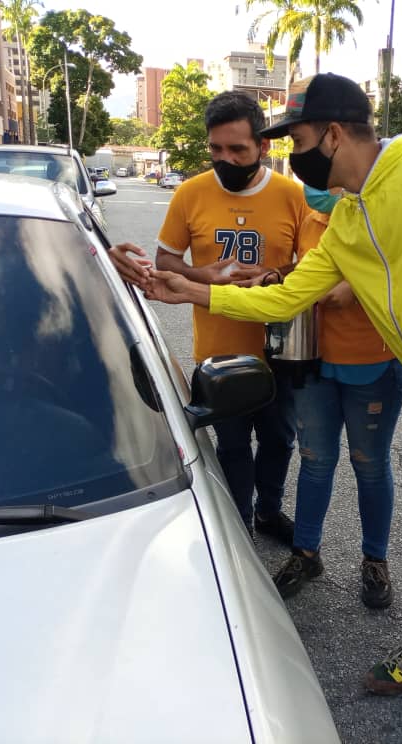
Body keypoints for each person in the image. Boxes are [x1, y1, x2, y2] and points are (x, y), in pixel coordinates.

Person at [140, 73, 402, 743]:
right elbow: (285, 299)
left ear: (334, 135)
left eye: (301, 141)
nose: (293, 156)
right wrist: (189, 294)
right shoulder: (346, 218)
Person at [109, 91, 307, 543]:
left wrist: (277, 273)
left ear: (264, 146)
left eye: (237, 149)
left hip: (279, 350)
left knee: (279, 441)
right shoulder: (191, 193)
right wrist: (204, 275)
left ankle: (269, 512)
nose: (225, 159)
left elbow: (315, 266)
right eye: (216, 149)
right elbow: (166, 260)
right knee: (233, 447)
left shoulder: (292, 196)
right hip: (218, 353)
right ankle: (237, 524)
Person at [272, 185, 402, 608]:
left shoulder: (388, 214)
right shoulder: (309, 218)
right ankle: (306, 552)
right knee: (314, 460)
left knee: (369, 464)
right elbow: (296, 270)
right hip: (312, 361)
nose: (316, 185)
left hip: (374, 363)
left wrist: (356, 283)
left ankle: (375, 560)